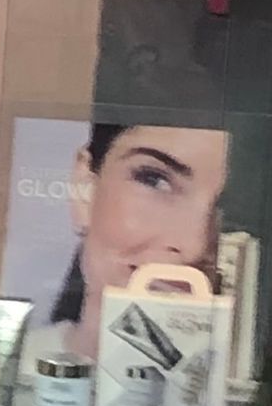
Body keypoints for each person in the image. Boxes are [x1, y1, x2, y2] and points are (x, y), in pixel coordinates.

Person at [49, 122, 230, 356]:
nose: (195, 247)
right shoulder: (14, 371)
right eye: (154, 180)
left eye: (224, 207)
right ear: (85, 187)